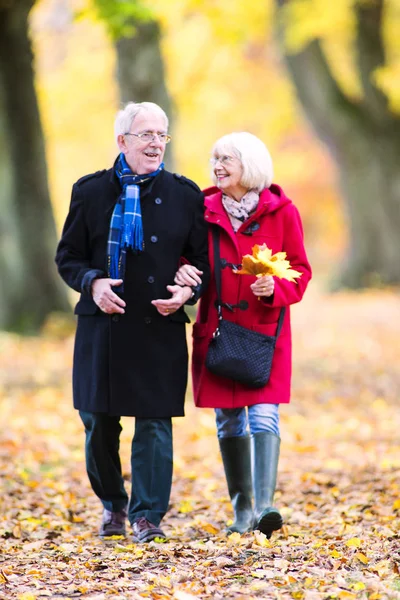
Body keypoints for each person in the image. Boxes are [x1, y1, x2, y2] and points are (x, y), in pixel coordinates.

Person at [55, 102, 209, 542]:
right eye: (145, 134)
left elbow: (199, 262)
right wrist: (92, 282)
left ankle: (147, 516)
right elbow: (67, 257)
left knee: (155, 424)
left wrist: (187, 291)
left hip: (157, 324)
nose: (156, 142)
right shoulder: (89, 191)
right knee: (97, 421)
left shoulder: (185, 194)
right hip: (102, 324)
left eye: (162, 134)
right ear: (122, 141)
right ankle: (113, 505)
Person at [174, 132, 311, 538]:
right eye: (214, 157)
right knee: (229, 420)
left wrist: (277, 289)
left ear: (249, 164)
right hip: (218, 331)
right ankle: (243, 510)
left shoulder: (282, 212)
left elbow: (300, 272)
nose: (217, 165)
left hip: (265, 332)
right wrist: (182, 272)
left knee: (265, 415)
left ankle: (266, 506)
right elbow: (185, 256)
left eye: (226, 158)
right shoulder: (202, 209)